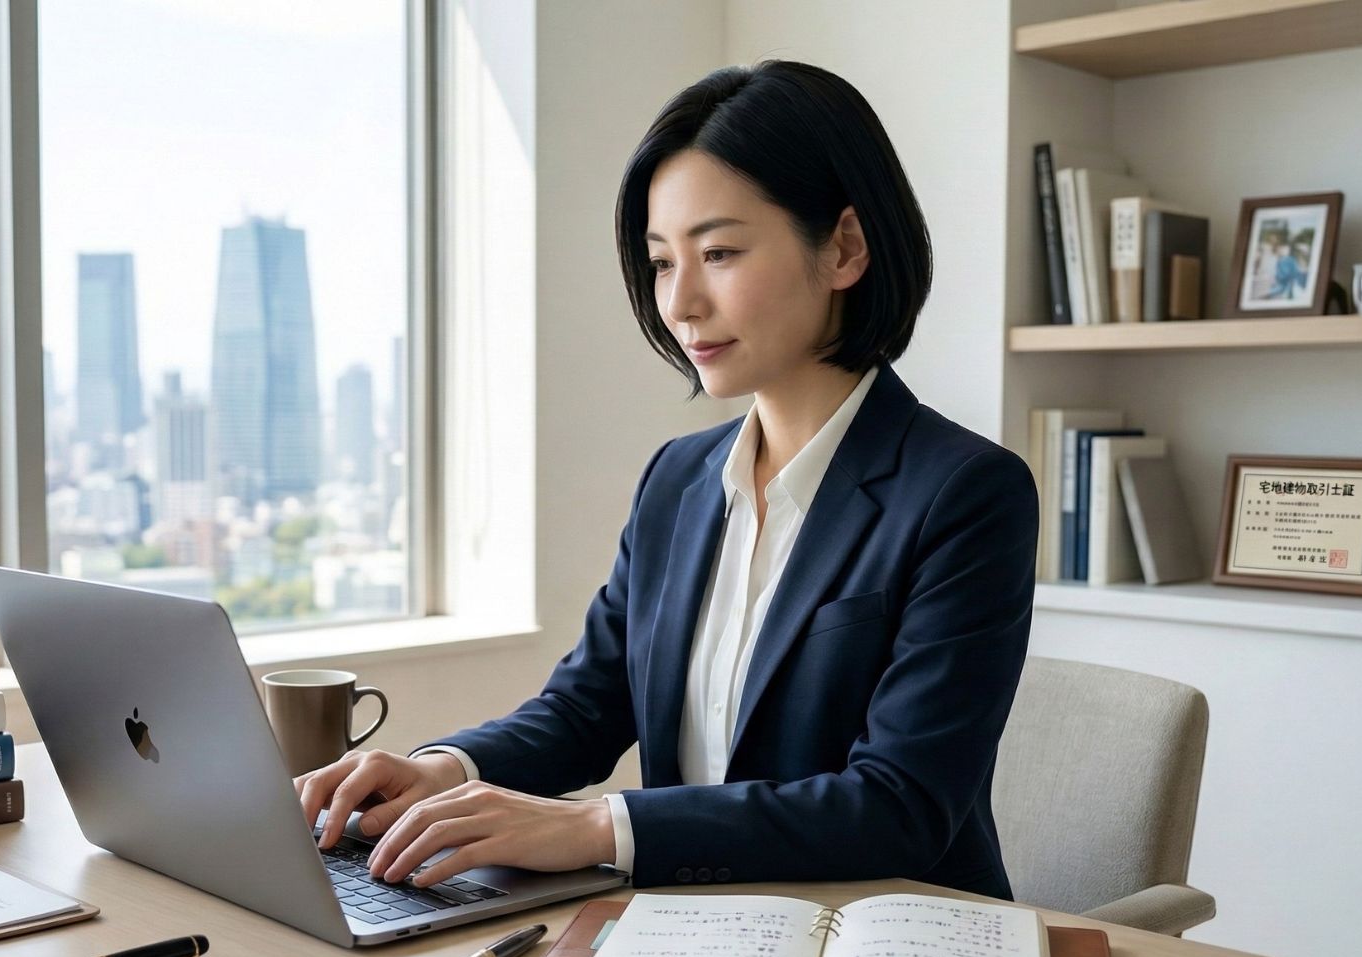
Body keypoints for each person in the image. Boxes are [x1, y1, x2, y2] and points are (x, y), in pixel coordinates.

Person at [294, 60, 1037, 900]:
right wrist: (442, 768)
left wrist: (594, 826)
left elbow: (899, 805)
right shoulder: (679, 480)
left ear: (845, 247)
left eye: (718, 252)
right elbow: (587, 706)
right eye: (660, 262)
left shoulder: (967, 492)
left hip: (882, 946)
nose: (680, 302)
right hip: (686, 931)